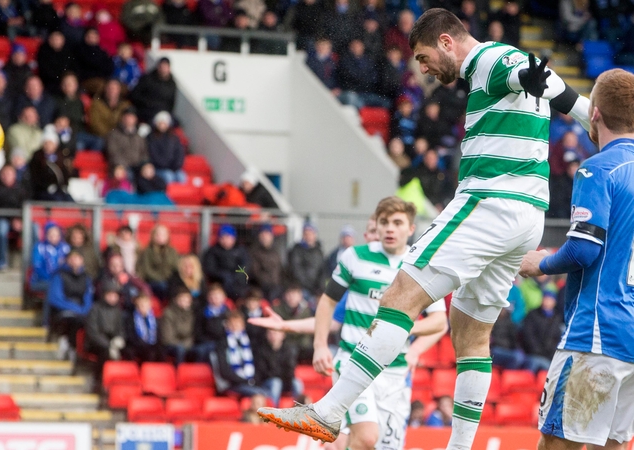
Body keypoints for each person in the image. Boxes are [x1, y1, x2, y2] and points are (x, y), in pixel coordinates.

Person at [257, 8, 591, 447]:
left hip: (489, 205)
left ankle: (328, 411)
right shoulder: (491, 72)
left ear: (447, 42)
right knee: (471, 333)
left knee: (398, 296)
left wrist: (590, 117)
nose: (423, 67)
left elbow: (529, 73)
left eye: (423, 55)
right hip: (527, 218)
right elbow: (531, 76)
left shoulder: (489, 59)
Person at [253, 198, 448, 450]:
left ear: (411, 229)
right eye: (384, 223)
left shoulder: (421, 265)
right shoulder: (354, 258)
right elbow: (328, 307)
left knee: (372, 445)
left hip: (395, 373)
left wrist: (406, 337)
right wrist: (319, 345)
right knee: (366, 437)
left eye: (397, 223)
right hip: (352, 362)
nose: (389, 229)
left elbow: (439, 321)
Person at [519, 74, 634, 450]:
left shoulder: (597, 168)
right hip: (631, 342)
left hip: (596, 332)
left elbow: (584, 250)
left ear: (594, 114)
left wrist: (542, 263)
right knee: (612, 445)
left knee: (558, 444)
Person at [212, 310, 272, 398]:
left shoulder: (251, 342)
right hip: (233, 384)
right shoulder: (222, 344)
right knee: (262, 395)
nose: (235, 326)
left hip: (252, 382)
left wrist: (253, 380)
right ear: (227, 325)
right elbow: (224, 370)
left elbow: (259, 364)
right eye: (232, 324)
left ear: (243, 325)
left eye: (238, 323)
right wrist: (244, 380)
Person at [47, 250, 93, 358]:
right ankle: (69, 345)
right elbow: (55, 298)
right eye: (72, 258)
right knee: (73, 319)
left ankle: (77, 349)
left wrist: (84, 310)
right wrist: (75, 308)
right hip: (63, 310)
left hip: (81, 310)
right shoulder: (59, 276)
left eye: (77, 258)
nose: (74, 261)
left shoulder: (86, 278)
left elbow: (88, 297)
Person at [0, 165, 27, 270]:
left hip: (17, 221)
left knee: (33, 228)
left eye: (9, 174)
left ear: (15, 175)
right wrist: (12, 220)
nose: (6, 176)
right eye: (4, 174)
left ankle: (30, 265)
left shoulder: (21, 189)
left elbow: (25, 207)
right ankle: (1, 262)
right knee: (2, 227)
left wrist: (20, 220)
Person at [85, 282, 126, 373]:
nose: (112, 298)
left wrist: (119, 340)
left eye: (115, 295)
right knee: (105, 352)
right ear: (104, 295)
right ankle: (99, 380)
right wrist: (108, 345)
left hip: (112, 340)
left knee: (128, 351)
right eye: (110, 295)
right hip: (96, 343)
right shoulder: (95, 309)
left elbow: (121, 329)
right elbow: (92, 332)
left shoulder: (118, 311)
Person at [256, 329, 303, 407]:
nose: (273, 336)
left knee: (297, 383)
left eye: (275, 333)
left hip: (285, 381)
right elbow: (263, 372)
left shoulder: (289, 350)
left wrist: (280, 375)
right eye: (270, 333)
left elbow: (290, 370)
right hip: (267, 382)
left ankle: (300, 409)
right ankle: (274, 411)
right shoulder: (261, 350)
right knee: (276, 383)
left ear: (282, 335)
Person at [202, 225, 250, 300]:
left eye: (228, 237)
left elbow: (245, 266)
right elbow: (210, 269)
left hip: (238, 284)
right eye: (222, 237)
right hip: (219, 284)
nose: (225, 240)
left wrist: (235, 275)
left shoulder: (241, 251)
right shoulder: (212, 251)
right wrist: (223, 275)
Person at [519, 291, 562, 373]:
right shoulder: (532, 315)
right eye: (545, 299)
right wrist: (538, 351)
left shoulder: (557, 318)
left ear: (554, 302)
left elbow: (557, 339)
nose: (547, 302)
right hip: (533, 354)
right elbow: (529, 337)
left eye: (550, 300)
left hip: (549, 356)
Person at [136, 224, 179, 300]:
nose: (160, 237)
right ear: (153, 236)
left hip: (169, 281)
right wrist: (161, 278)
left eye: (163, 234)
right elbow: (146, 270)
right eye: (158, 234)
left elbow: (175, 268)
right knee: (163, 287)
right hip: (152, 281)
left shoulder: (172, 251)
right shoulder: (147, 251)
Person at [29, 128, 72, 201]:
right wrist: (47, 186)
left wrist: (64, 185)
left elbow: (64, 174)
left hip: (59, 190)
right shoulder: (38, 157)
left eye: (50, 143)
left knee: (69, 200)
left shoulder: (60, 157)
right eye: (46, 143)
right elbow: (35, 176)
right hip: (43, 191)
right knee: (57, 200)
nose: (48, 145)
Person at [129, 57, 177, 124]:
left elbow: (171, 103)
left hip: (163, 113)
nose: (163, 69)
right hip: (146, 112)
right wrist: (148, 103)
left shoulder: (172, 84)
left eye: (165, 66)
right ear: (158, 67)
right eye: (161, 66)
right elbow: (135, 95)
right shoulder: (147, 79)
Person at [287, 222, 326, 301]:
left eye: (311, 233)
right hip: (302, 289)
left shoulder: (319, 251)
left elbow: (322, 270)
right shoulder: (296, 250)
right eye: (306, 233)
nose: (308, 236)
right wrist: (308, 285)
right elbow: (296, 269)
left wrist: (320, 288)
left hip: (315, 291)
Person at [29, 222, 70, 295]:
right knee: (55, 288)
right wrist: (52, 279)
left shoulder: (65, 247)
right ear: (46, 235)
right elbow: (37, 267)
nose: (54, 238)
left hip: (61, 281)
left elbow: (69, 266)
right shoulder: (39, 247)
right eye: (51, 235)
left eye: (56, 235)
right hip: (40, 281)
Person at [194, 283, 230, 362]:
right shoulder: (202, 312)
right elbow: (198, 332)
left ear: (223, 297)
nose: (214, 298)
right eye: (212, 296)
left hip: (224, 343)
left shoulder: (229, 313)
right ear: (208, 298)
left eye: (217, 296)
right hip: (207, 343)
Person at [147, 111, 186, 184]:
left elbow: (179, 152)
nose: (162, 125)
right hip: (159, 168)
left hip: (173, 168)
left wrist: (176, 165)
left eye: (164, 122)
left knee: (182, 177)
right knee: (168, 176)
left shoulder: (174, 138)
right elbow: (153, 155)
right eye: (160, 122)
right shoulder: (151, 138)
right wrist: (165, 166)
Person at [248, 224, 284, 301]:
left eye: (267, 234)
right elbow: (255, 272)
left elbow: (280, 271)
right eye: (262, 234)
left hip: (276, 287)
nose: (265, 236)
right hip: (261, 287)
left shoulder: (277, 251)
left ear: (272, 236)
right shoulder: (254, 251)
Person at [160, 288, 195, 364]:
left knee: (202, 350)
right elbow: (167, 338)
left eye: (187, 300)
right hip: (171, 345)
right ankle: (179, 372)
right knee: (180, 349)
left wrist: (186, 344)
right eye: (182, 299)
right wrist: (183, 344)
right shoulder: (168, 313)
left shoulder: (192, 314)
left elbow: (193, 335)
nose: (184, 302)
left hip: (188, 344)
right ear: (175, 300)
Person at [124, 294, 162, 362]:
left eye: (145, 305)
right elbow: (130, 336)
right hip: (136, 345)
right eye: (141, 305)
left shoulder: (155, 320)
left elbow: (158, 335)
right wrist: (142, 343)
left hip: (151, 345)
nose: (143, 307)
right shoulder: (131, 319)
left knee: (159, 351)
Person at [37, 31, 74, 96]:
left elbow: (72, 67)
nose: (56, 41)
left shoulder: (68, 52)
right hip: (50, 82)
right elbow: (44, 71)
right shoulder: (43, 51)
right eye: (54, 39)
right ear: (49, 40)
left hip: (65, 80)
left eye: (58, 39)